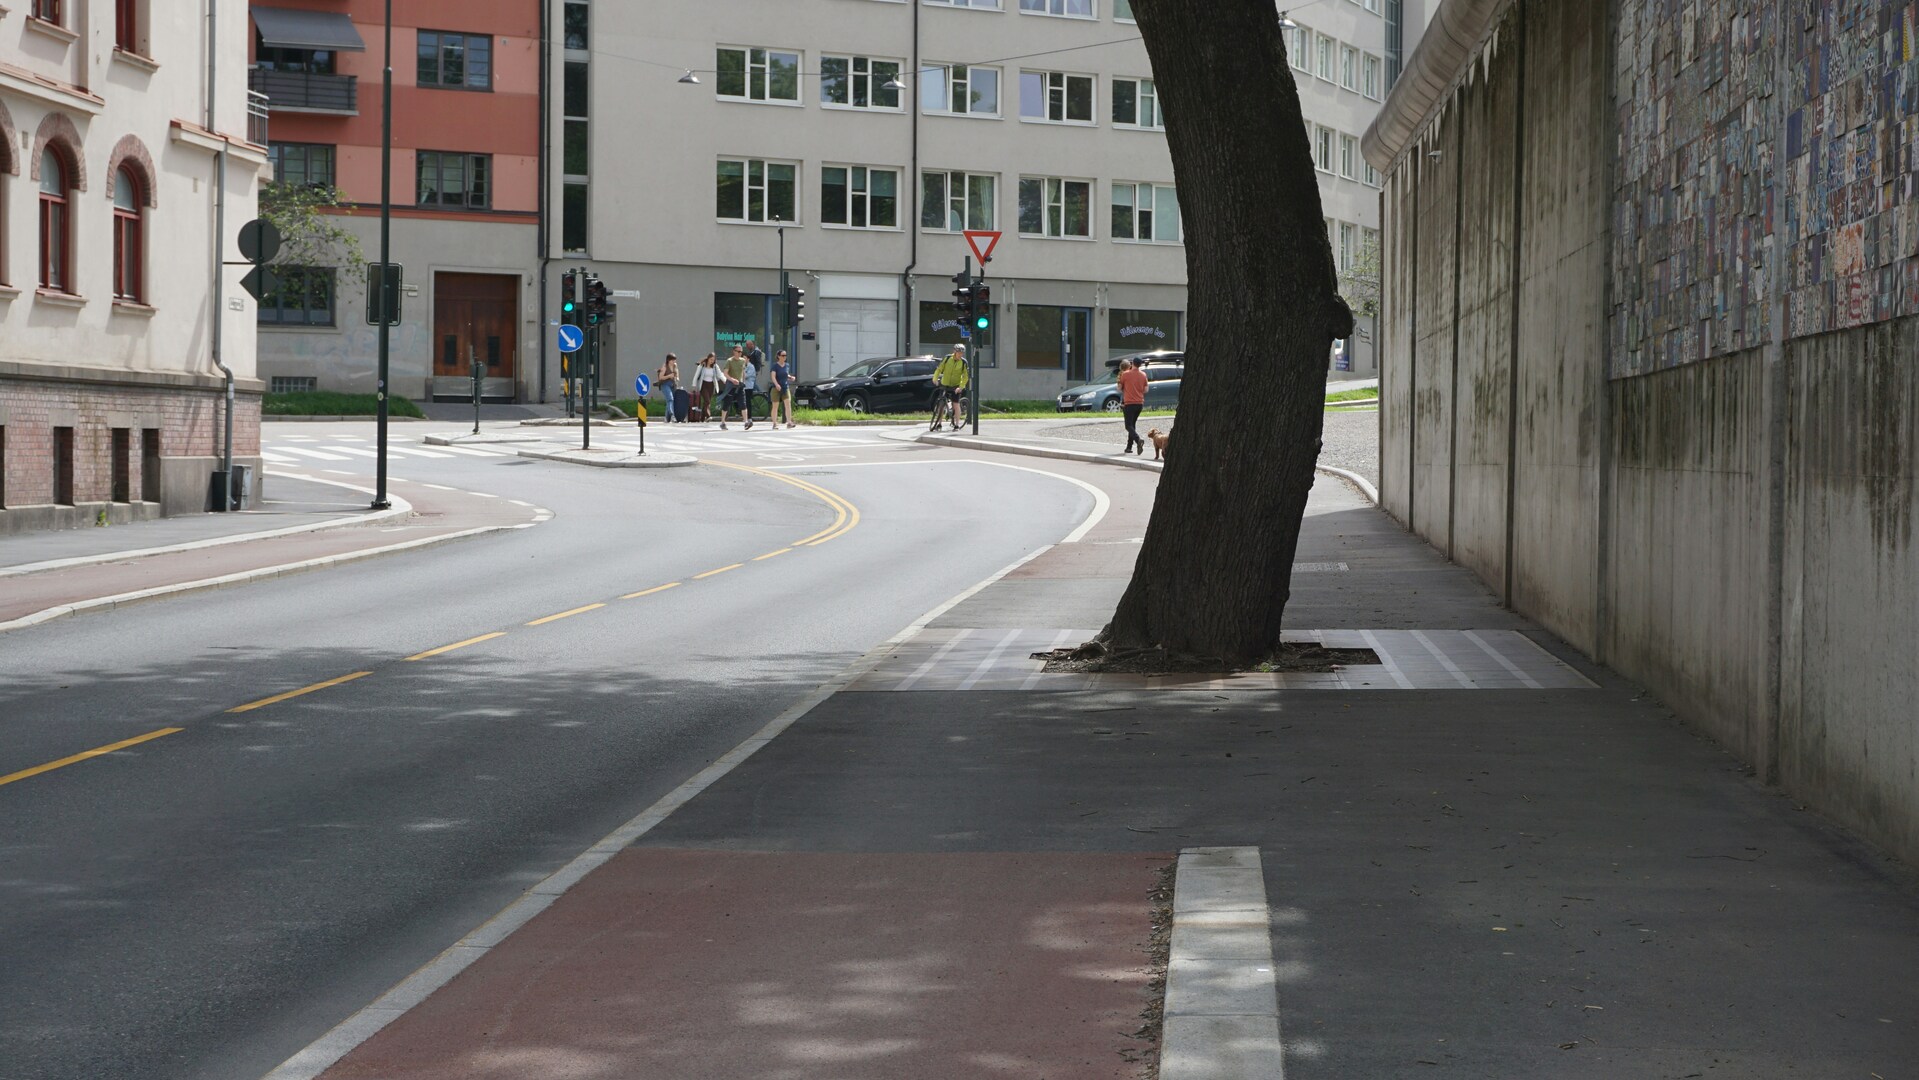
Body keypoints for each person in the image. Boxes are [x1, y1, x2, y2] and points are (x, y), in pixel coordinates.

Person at [932, 344, 969, 431]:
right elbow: (939, 369)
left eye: (962, 353)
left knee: (956, 404)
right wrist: (935, 378)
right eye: (959, 353)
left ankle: (956, 425)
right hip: (944, 384)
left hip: (955, 386)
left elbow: (965, 377)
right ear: (954, 352)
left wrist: (960, 387)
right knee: (941, 404)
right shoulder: (947, 358)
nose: (960, 355)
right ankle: (939, 424)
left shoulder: (963, 362)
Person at [1117, 357, 1149, 454]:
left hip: (1129, 403)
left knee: (1128, 426)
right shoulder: (1143, 375)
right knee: (1132, 425)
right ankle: (1129, 447)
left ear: (1132, 363)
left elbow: (1119, 388)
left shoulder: (1125, 374)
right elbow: (1146, 390)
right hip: (1139, 403)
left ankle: (1138, 440)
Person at [719, 345, 753, 430]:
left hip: (740, 385)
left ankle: (746, 422)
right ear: (734, 351)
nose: (739, 353)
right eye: (738, 351)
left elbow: (743, 372)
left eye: (741, 352)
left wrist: (743, 382)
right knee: (727, 403)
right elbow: (725, 373)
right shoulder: (729, 361)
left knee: (743, 403)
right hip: (730, 385)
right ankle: (723, 422)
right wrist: (732, 379)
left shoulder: (743, 361)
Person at [690, 353, 723, 422]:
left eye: (713, 360)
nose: (712, 361)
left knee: (707, 402)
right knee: (707, 401)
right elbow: (696, 376)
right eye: (711, 359)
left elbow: (720, 374)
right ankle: (708, 415)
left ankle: (702, 418)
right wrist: (694, 385)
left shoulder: (715, 366)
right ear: (708, 358)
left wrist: (725, 381)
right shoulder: (702, 366)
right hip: (703, 385)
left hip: (711, 385)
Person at [768, 349, 795, 428]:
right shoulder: (775, 366)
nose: (784, 357)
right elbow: (773, 376)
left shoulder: (787, 365)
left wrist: (790, 377)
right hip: (776, 388)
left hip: (785, 387)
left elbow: (785, 375)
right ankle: (774, 423)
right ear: (778, 356)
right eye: (783, 355)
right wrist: (776, 384)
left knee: (788, 404)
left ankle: (789, 422)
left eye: (785, 355)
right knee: (775, 406)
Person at [656, 353, 681, 423]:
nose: (674, 361)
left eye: (675, 360)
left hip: (673, 385)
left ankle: (667, 419)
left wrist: (677, 378)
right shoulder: (664, 366)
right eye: (672, 360)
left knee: (669, 401)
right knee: (670, 399)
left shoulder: (675, 366)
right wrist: (669, 376)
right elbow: (660, 377)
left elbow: (677, 374)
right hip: (665, 384)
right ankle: (672, 415)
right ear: (668, 360)